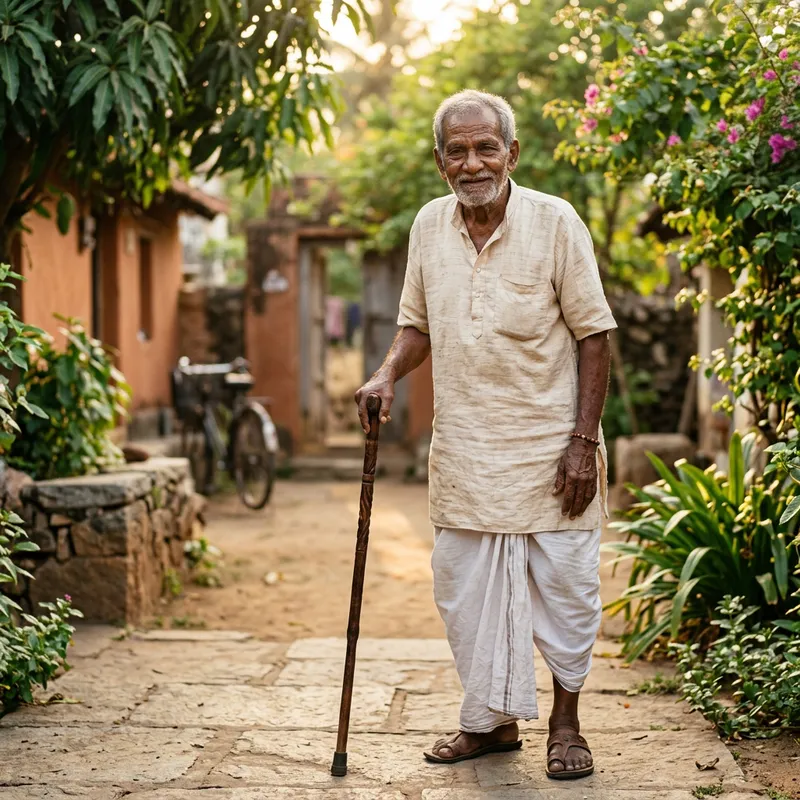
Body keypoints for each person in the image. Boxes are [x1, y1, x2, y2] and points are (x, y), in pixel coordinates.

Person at [354, 89, 616, 780]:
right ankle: (491, 723)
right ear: (440, 161)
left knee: (565, 590)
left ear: (512, 153)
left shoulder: (556, 222)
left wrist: (582, 443)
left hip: (552, 451)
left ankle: (566, 723)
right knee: (465, 590)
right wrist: (385, 375)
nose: (472, 163)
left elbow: (595, 334)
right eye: (457, 151)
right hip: (467, 449)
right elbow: (418, 326)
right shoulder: (428, 227)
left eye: (485, 147)